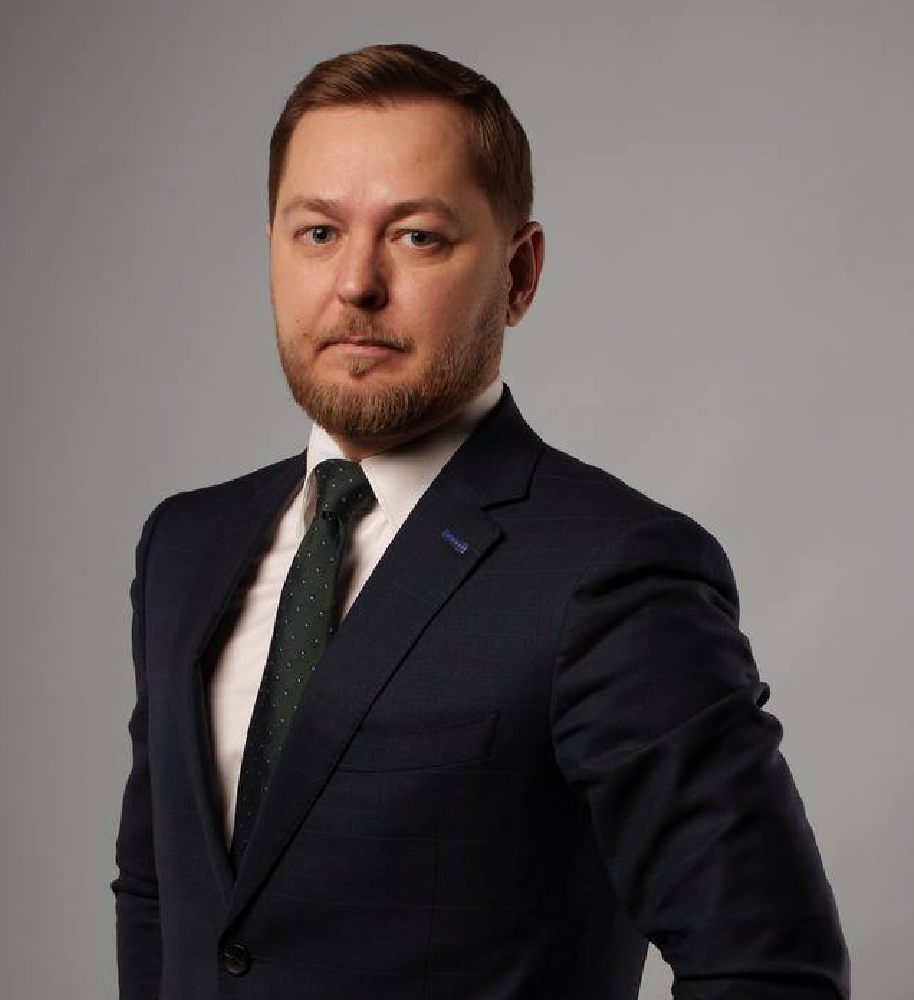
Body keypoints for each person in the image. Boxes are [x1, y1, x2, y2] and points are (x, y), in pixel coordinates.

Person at [110, 42, 850, 1000]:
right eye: (318, 232)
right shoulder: (186, 546)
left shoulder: (610, 573)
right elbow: (161, 895)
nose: (356, 283)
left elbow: (768, 967)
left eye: (418, 236)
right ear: (273, 252)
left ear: (520, 272)